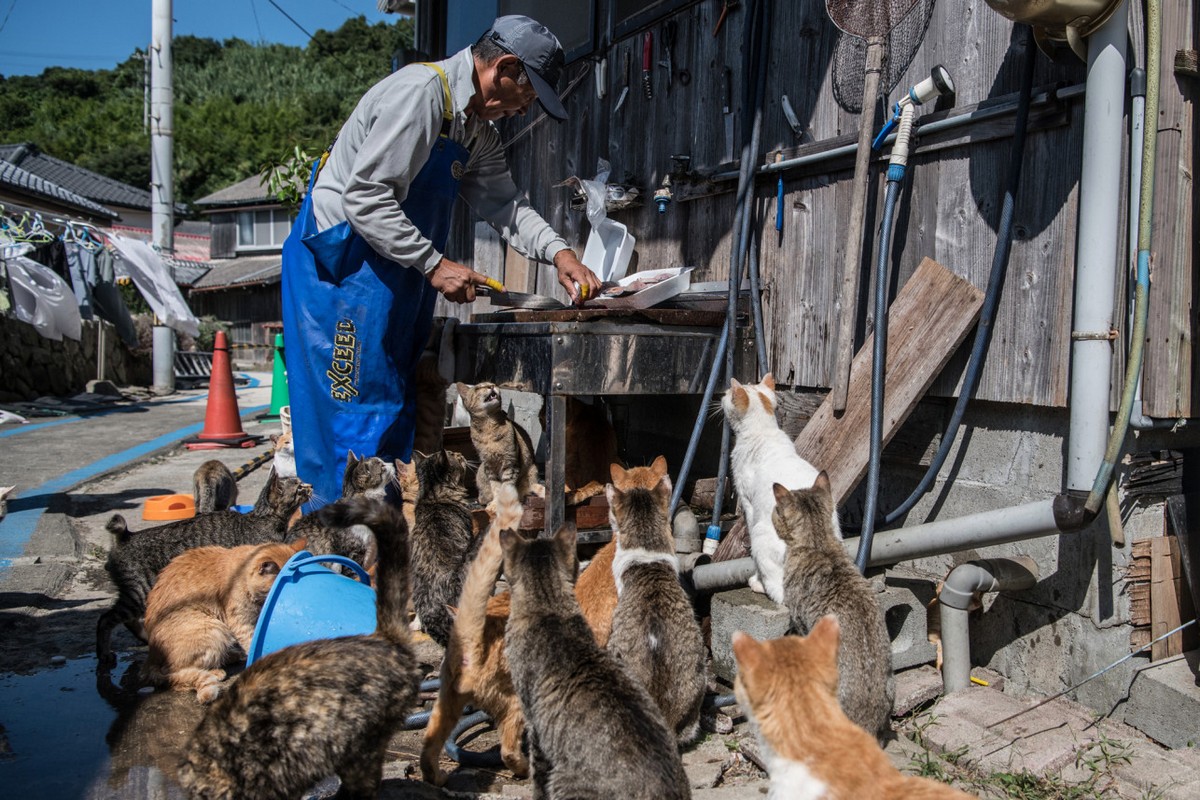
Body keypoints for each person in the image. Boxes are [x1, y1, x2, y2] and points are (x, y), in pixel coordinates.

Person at [281, 15, 602, 506]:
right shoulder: (420, 95)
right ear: (505, 68)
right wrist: (434, 263)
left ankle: (387, 532)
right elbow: (365, 199)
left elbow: (506, 205)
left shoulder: (476, 131)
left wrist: (559, 252)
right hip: (341, 273)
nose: (525, 108)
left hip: (396, 275)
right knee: (349, 412)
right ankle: (337, 546)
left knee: (394, 397)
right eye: (529, 93)